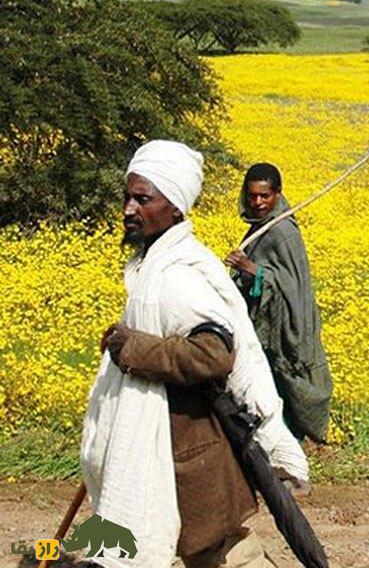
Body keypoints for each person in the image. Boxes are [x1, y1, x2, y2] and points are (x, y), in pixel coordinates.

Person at [81, 140, 308, 567]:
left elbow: (214, 354)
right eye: (128, 197)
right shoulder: (155, 264)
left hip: (190, 448)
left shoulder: (179, 276)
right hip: (168, 443)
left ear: (175, 208)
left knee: (222, 552)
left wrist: (132, 347)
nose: (130, 208)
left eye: (143, 199)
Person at [225, 163, 333, 445]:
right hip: (264, 319)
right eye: (252, 196)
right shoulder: (261, 226)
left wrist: (252, 270)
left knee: (285, 380)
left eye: (265, 196)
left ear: (277, 194)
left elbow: (291, 285)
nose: (258, 202)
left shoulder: (282, 232)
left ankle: (290, 446)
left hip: (286, 322)